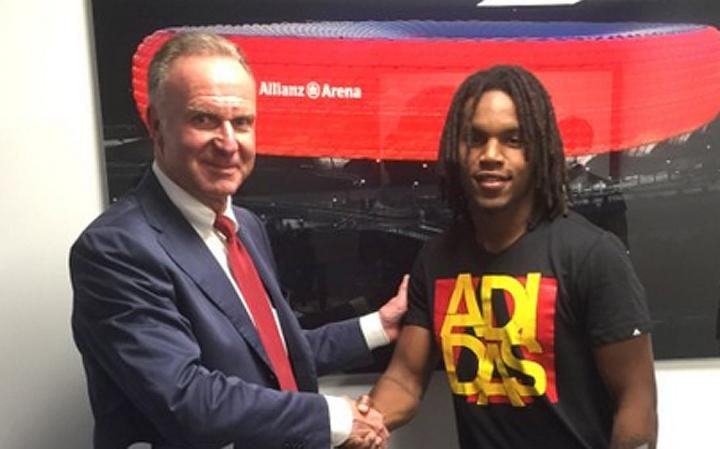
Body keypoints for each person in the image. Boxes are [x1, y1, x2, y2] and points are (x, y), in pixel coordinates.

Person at [70, 31, 405, 449]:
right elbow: (186, 399)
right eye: (204, 119)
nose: (228, 143)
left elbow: (270, 355)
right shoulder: (116, 249)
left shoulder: (244, 225)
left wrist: (380, 325)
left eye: (242, 122)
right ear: (156, 125)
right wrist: (335, 417)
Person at [360, 65, 658, 449]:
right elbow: (404, 379)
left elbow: (636, 403)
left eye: (513, 139)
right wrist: (364, 423)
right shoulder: (436, 260)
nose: (491, 155)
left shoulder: (592, 255)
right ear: (457, 148)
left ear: (538, 151)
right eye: (475, 138)